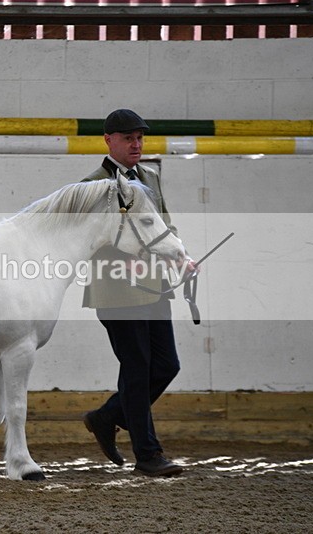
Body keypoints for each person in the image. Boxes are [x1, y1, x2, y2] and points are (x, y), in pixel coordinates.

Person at [81, 109, 194, 477]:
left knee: (166, 365)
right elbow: (88, 239)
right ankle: (147, 455)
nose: (136, 144)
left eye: (139, 138)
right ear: (108, 140)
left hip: (154, 286)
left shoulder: (151, 177)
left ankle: (108, 416)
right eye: (128, 138)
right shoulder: (93, 185)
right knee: (138, 369)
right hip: (116, 292)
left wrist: (182, 257)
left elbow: (165, 223)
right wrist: (121, 258)